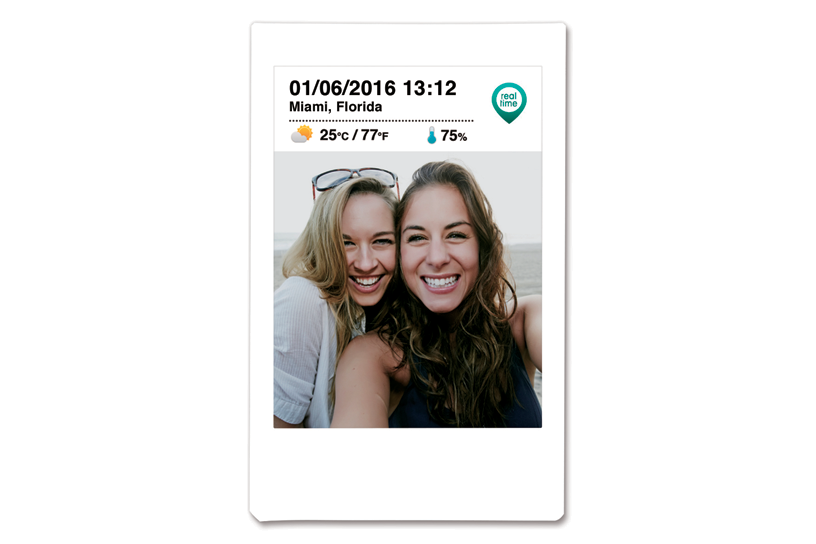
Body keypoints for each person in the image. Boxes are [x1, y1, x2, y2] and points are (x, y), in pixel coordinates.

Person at [331, 161, 541, 428]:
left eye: (456, 234)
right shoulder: (371, 357)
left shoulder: (527, 320)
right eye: (417, 238)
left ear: (482, 245)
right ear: (400, 252)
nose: (437, 258)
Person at [274, 170, 400, 428]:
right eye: (346, 243)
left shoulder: (402, 306)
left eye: (381, 241)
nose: (365, 264)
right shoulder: (303, 300)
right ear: (324, 245)